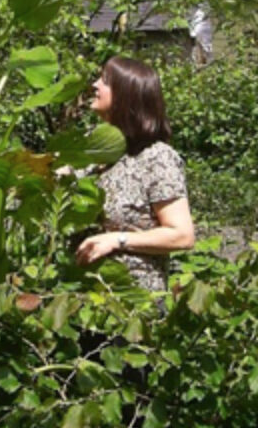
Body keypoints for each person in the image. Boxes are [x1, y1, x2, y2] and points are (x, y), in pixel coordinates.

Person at [75, 55, 195, 290]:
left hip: (133, 305)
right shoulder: (93, 154)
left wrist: (117, 240)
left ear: (126, 94)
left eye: (105, 81)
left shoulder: (156, 158)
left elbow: (182, 235)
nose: (95, 85)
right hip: (80, 301)